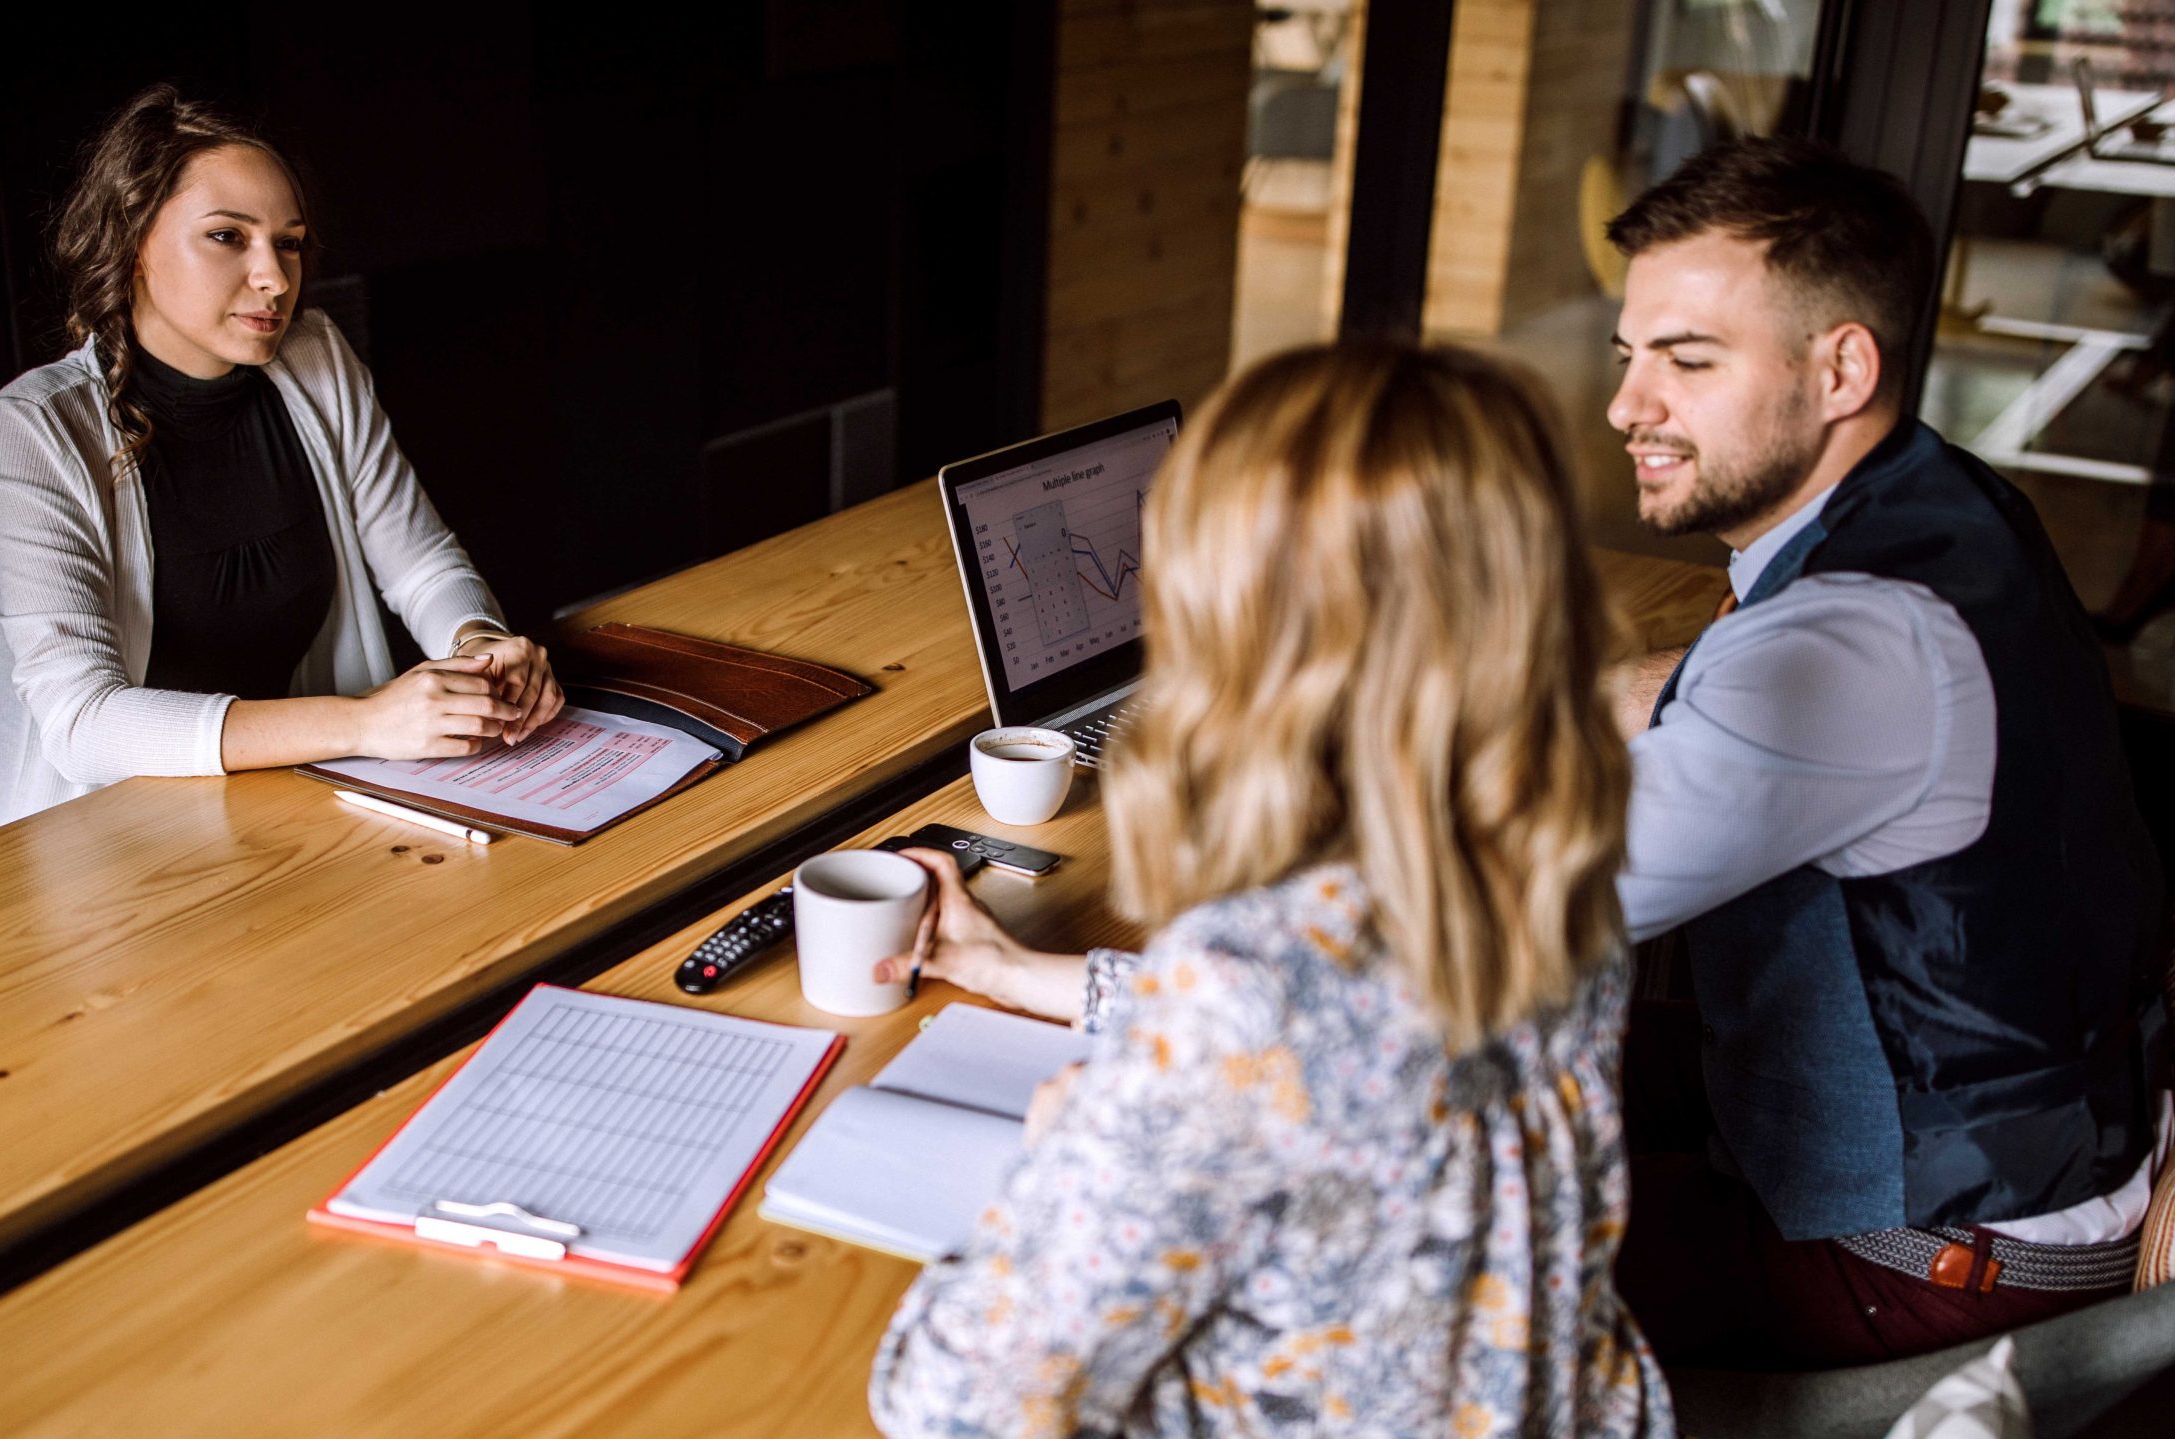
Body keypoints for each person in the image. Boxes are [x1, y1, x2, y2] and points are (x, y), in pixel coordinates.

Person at [868, 343, 1673, 1438]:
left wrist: (1058, 1154)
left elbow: (954, 1403)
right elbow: (1336, 1034)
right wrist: (1010, 971)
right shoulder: (1545, 868)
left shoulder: (1248, 992)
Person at [1600, 137, 2170, 1368]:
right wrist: (1626, 693)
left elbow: (1490, 903)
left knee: (1389, 1241)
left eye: (1686, 362)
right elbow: (1766, 684)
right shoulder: (1947, 504)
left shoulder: (1845, 641)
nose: (1625, 406)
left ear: (1841, 366)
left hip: (1914, 1267)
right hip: (2033, 1160)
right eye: (1628, 354)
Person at [0, 86, 561, 829]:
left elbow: (419, 562)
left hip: (288, 809)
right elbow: (84, 720)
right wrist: (361, 723)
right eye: (228, 236)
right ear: (132, 245)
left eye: (287, 242)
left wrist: (480, 648)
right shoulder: (35, 427)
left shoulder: (315, 355)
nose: (276, 279)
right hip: (103, 843)